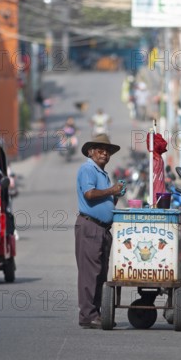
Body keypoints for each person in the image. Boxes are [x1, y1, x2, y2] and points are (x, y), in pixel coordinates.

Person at [75, 134, 124, 329]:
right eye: (100, 149)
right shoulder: (87, 169)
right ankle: (87, 315)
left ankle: (95, 312)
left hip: (102, 228)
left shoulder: (102, 174)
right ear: (90, 151)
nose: (104, 153)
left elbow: (105, 200)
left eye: (107, 151)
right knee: (90, 272)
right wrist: (112, 191)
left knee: (100, 273)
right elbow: (89, 194)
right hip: (90, 226)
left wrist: (115, 195)